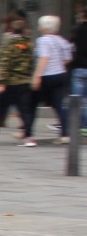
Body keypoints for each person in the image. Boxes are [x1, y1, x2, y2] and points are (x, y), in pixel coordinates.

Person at [0, 18, 36, 145]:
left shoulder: (9, 44)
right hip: (24, 81)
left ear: (11, 30)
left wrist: (1, 82)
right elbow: (31, 64)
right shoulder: (29, 45)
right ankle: (28, 137)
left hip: (9, 83)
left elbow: (5, 64)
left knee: (0, 110)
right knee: (25, 111)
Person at [31, 15, 72, 143]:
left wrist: (36, 76)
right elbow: (67, 59)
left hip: (46, 75)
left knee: (31, 104)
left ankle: (27, 132)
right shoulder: (62, 40)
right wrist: (58, 64)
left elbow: (44, 58)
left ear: (44, 27)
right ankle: (65, 133)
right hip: (60, 74)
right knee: (59, 105)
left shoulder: (43, 40)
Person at [72, 8, 87, 136]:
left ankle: (81, 126)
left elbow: (73, 47)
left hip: (80, 67)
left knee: (78, 100)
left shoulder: (78, 30)